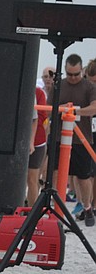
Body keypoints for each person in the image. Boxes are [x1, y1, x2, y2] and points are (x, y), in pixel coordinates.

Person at [44, 54, 96, 226]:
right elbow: (49, 108)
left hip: (82, 139)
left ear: (81, 71)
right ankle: (58, 207)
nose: (73, 78)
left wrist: (75, 112)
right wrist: (61, 110)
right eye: (70, 74)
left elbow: (94, 108)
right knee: (57, 172)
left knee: (83, 176)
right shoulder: (59, 86)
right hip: (59, 137)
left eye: (76, 74)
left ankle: (87, 207)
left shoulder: (89, 86)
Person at [27, 86, 49, 206]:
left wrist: (32, 141)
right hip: (23, 139)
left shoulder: (38, 92)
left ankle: (31, 211)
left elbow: (40, 118)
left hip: (37, 141)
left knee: (32, 178)